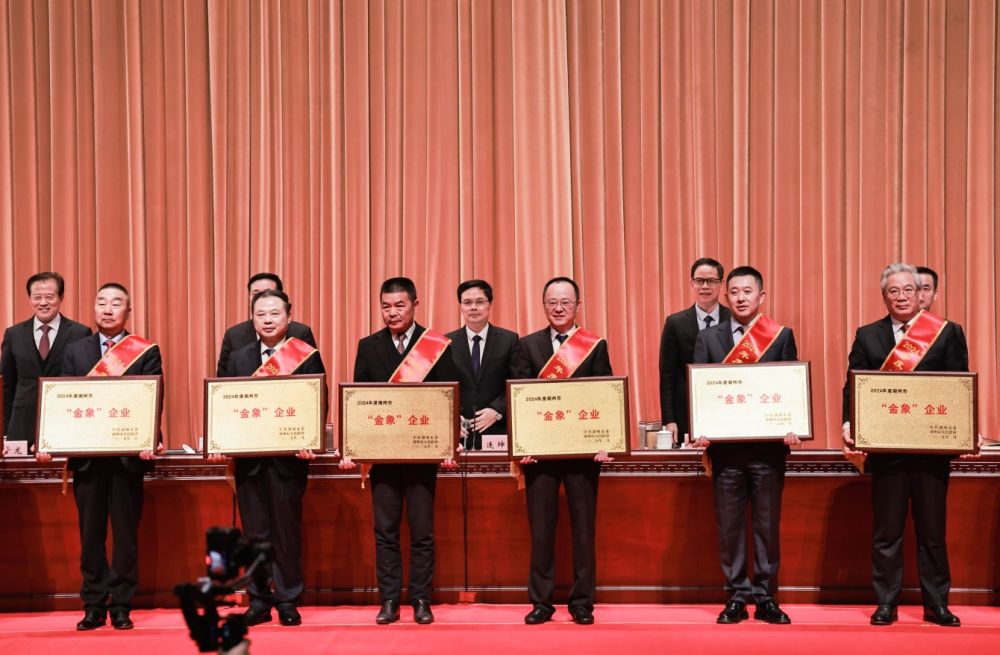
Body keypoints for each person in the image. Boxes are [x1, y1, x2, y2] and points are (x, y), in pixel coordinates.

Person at [842, 263, 969, 627]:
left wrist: (965, 428)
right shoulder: (868, 335)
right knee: (887, 532)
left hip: (931, 452)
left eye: (908, 290)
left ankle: (937, 604)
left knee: (933, 532)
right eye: (893, 291)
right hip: (887, 452)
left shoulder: (946, 333)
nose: (901, 297)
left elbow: (960, 385)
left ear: (920, 293)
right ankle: (886, 603)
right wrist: (849, 424)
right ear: (884, 296)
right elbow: (852, 385)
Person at [37, 283, 162, 631]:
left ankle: (121, 604)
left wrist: (150, 438)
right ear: (94, 308)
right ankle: (93, 604)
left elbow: (153, 398)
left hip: (127, 457)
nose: (107, 309)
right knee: (90, 535)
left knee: (124, 535)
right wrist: (50, 439)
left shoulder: (145, 351)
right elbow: (63, 399)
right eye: (102, 302)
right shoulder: (75, 350)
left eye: (116, 303)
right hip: (88, 458)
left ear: (128, 311)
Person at [344, 277, 459, 625]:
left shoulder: (436, 346)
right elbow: (359, 402)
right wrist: (353, 445)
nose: (392, 312)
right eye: (386, 306)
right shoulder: (368, 346)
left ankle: (421, 599)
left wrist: (449, 443)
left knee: (422, 532)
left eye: (399, 305)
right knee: (386, 532)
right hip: (383, 457)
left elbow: (448, 398)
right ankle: (389, 600)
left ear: (414, 305)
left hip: (423, 455)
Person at [692, 266, 800, 625]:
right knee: (731, 528)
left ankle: (766, 598)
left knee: (767, 527)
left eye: (748, 291)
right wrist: (700, 428)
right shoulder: (708, 338)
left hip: (768, 452)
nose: (741, 298)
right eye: (735, 292)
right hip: (726, 453)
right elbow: (700, 392)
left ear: (761, 296)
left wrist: (794, 425)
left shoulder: (781, 336)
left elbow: (790, 389)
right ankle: (737, 597)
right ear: (727, 296)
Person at [210, 289, 324, 627]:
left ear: (289, 317)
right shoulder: (239, 357)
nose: (268, 320)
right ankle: (259, 599)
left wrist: (311, 440)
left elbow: (317, 399)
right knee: (255, 534)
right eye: (261, 314)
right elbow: (225, 402)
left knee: (286, 532)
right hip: (249, 460)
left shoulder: (304, 354)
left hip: (289, 459)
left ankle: (288, 599)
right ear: (253, 319)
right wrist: (221, 440)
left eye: (275, 313)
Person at [510, 277, 613, 626]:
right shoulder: (528, 345)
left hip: (583, 455)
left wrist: (606, 441)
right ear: (543, 305)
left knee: (584, 531)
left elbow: (605, 396)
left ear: (577, 306)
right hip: (540, 455)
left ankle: (582, 603)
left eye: (565, 302)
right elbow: (520, 397)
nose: (558, 308)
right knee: (541, 532)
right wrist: (522, 445)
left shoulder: (594, 346)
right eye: (552, 302)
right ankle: (541, 602)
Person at [2, 272, 91, 450]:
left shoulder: (80, 333)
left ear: (61, 297)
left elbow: (85, 385)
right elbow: (6, 386)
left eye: (49, 297)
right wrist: (4, 430)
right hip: (20, 427)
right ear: (30, 298)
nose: (43, 302)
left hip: (65, 425)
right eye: (37, 297)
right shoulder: (14, 334)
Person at [659, 258, 731, 446]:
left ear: (721, 284)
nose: (705, 286)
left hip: (728, 408)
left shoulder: (734, 319)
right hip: (687, 412)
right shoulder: (675, 323)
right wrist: (669, 420)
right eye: (699, 281)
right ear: (692, 283)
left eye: (711, 281)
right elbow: (667, 376)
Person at [445, 279, 519, 449]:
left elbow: (517, 383)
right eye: (467, 302)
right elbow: (442, 386)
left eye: (479, 302)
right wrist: (452, 418)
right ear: (460, 306)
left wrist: (497, 411)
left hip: (497, 430)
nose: (473, 307)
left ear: (490, 304)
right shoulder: (447, 342)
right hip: (460, 433)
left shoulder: (509, 340)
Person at [216, 272, 316, 376]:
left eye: (269, 293)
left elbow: (316, 381)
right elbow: (224, 381)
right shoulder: (234, 336)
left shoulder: (301, 334)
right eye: (256, 294)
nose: (268, 320)